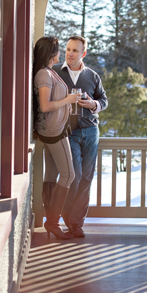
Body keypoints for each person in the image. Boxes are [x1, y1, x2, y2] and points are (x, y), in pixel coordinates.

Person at [53, 35, 108, 238]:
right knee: (73, 175)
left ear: (83, 53)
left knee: (86, 177)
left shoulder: (92, 76)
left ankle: (76, 223)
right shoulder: (55, 73)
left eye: (75, 50)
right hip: (69, 131)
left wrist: (93, 104)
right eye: (68, 49)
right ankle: (67, 217)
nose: (70, 53)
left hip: (91, 130)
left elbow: (103, 100)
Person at [33, 36, 81, 240]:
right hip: (53, 131)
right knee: (69, 174)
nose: (61, 53)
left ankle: (51, 221)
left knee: (52, 174)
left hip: (54, 128)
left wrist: (67, 103)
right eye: (59, 50)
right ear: (51, 52)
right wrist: (68, 100)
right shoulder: (44, 75)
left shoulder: (49, 71)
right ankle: (52, 222)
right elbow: (45, 106)